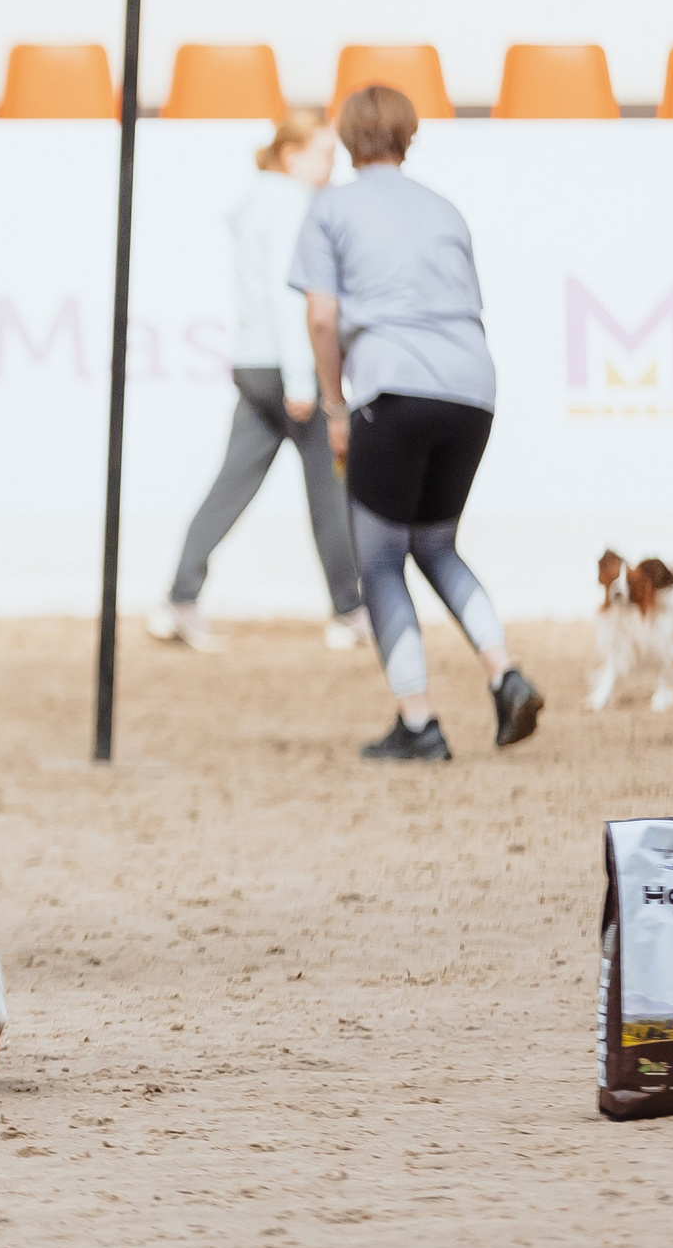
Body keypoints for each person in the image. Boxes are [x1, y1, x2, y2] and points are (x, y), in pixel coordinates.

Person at [290, 84, 542, 761]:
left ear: (345, 138)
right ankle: (504, 672)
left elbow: (320, 317)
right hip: (471, 389)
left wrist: (335, 404)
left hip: (392, 387)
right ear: (410, 135)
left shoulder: (331, 207)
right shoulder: (445, 209)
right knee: (436, 546)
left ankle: (418, 722)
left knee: (378, 560)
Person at [147, 109, 365, 653]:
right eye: (323, 154)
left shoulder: (257, 204)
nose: (332, 165)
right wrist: (303, 379)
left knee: (231, 486)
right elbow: (289, 296)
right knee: (330, 488)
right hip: (291, 368)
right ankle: (350, 611)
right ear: (292, 156)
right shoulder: (292, 206)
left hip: (253, 362)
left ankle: (179, 598)